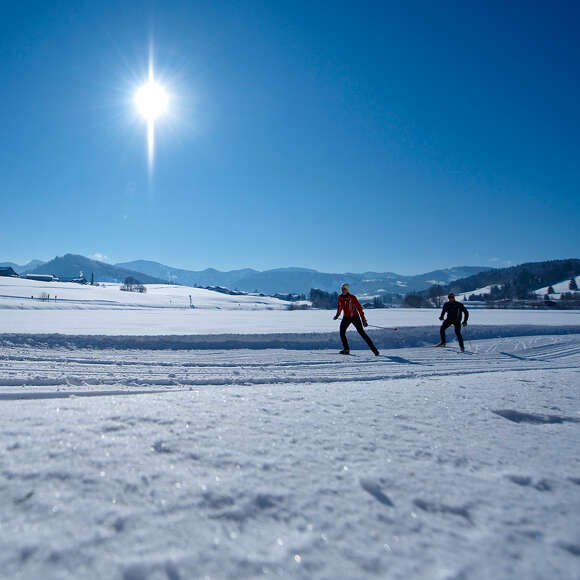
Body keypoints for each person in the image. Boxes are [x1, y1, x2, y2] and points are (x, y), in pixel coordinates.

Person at [333, 284, 379, 355]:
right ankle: (346, 349)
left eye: (344, 289)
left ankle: (374, 350)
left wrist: (363, 320)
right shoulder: (340, 297)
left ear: (347, 290)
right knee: (342, 332)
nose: (342, 290)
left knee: (362, 333)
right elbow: (339, 307)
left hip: (355, 317)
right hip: (346, 318)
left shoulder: (352, 297)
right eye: (342, 289)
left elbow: (360, 309)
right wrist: (337, 315)